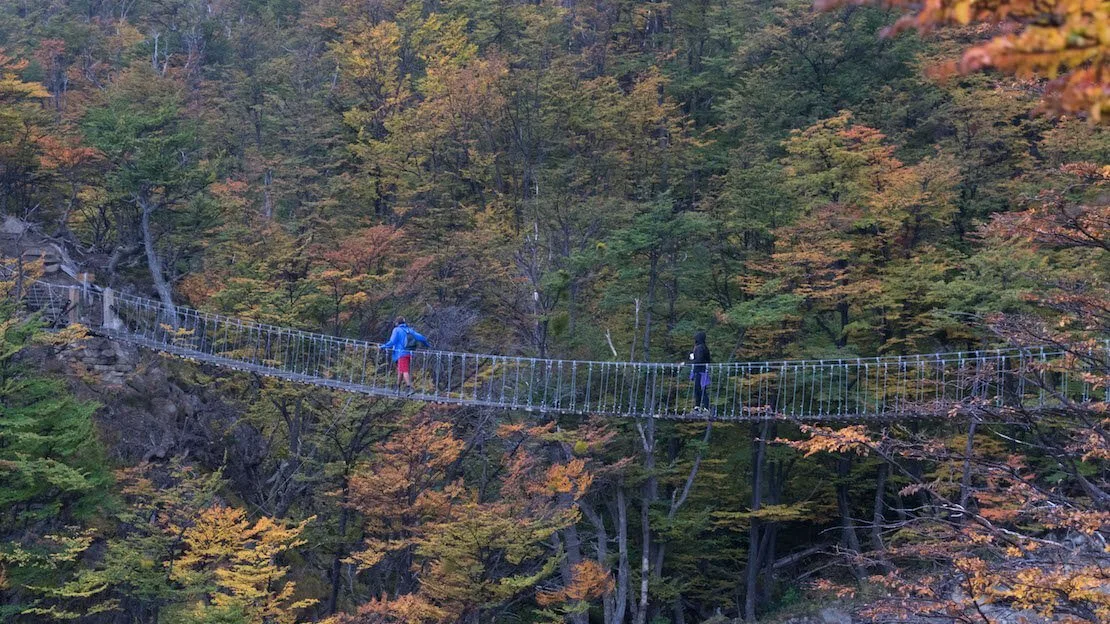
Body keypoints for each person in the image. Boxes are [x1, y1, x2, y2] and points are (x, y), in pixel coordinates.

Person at [382, 316, 430, 394]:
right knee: (401, 370)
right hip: (409, 353)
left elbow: (392, 341)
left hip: (401, 353)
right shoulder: (409, 330)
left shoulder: (396, 330)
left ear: (397, 323)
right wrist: (426, 344)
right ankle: (397, 387)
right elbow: (421, 337)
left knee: (404, 371)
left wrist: (383, 346)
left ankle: (409, 387)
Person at [689, 330, 711, 412]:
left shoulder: (700, 348)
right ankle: (699, 406)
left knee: (700, 389)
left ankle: (703, 407)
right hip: (702, 370)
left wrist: (692, 359)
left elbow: (699, 359)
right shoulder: (704, 347)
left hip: (700, 371)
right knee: (699, 389)